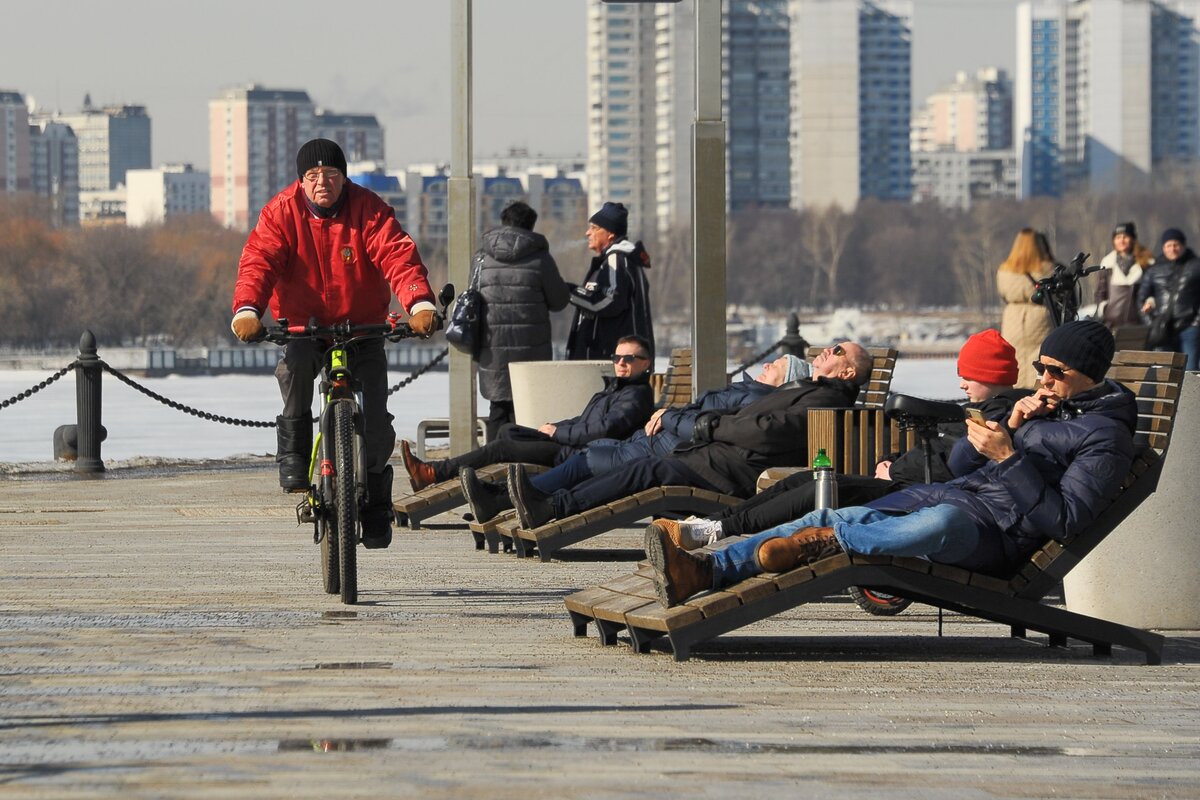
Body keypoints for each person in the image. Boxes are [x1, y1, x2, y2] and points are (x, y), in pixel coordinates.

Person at [645, 321, 1137, 608]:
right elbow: (962, 466)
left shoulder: (1105, 437)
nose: (1044, 379)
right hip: (953, 498)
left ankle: (825, 542)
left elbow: (1064, 520)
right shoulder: (1042, 408)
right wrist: (1008, 425)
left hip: (996, 539)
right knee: (825, 509)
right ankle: (706, 571)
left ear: (1089, 376)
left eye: (1056, 371)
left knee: (932, 523)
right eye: (1040, 367)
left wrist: (1008, 458)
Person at [231, 138, 437, 549]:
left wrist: (419, 302)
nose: (321, 182)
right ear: (301, 180)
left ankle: (376, 500)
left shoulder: (368, 209)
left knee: (375, 413)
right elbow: (259, 261)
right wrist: (248, 309)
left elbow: (396, 255)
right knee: (295, 369)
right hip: (303, 326)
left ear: (344, 177)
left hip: (362, 326)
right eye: (312, 175)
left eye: (330, 174)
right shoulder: (281, 212)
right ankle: (294, 455)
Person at [651, 330, 1029, 551]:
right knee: (806, 481)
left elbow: (956, 462)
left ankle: (713, 531)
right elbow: (939, 451)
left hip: (917, 494)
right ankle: (710, 524)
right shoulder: (977, 411)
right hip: (907, 482)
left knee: (815, 492)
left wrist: (895, 469)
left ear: (991, 376)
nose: (961, 383)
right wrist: (890, 459)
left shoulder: (993, 418)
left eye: (969, 376)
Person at [507, 343, 873, 531]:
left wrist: (708, 427)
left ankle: (553, 507)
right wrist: (707, 424)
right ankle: (549, 502)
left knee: (646, 471)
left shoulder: (824, 401)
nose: (827, 350)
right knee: (644, 467)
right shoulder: (810, 391)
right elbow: (749, 419)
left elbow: (765, 432)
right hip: (716, 457)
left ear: (847, 373)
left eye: (838, 351)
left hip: (731, 471)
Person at [461, 354, 812, 524]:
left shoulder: (759, 399)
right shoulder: (753, 394)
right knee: (521, 439)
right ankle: (510, 498)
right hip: (662, 445)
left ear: (787, 381)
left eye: (778, 365)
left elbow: (710, 425)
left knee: (590, 461)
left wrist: (670, 417)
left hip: (675, 451)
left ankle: (516, 500)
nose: (768, 364)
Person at [399, 335, 655, 491]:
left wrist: (558, 434)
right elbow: (584, 420)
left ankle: (434, 472)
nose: (621, 363)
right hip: (572, 444)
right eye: (617, 357)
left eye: (629, 358)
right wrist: (554, 427)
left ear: (646, 363)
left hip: (581, 455)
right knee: (508, 430)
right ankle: (493, 490)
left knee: (501, 447)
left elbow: (605, 429)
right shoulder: (615, 389)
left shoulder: (636, 395)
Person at [474, 201, 570, 441]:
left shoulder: (482, 258)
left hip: (491, 347)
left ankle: (495, 457)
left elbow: (472, 297)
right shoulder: (540, 258)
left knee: (498, 409)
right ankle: (526, 460)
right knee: (529, 412)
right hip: (531, 349)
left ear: (504, 222)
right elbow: (559, 300)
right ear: (531, 226)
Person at [566, 202, 654, 360]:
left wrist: (569, 292)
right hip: (618, 360)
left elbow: (609, 302)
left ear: (610, 234)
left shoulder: (617, 260)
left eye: (594, 228)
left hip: (615, 361)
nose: (588, 233)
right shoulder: (621, 260)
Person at [998, 228, 1056, 389]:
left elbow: (1003, 293)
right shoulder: (1047, 269)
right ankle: (1036, 391)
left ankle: (1016, 392)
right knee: (1039, 358)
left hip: (1012, 319)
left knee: (1015, 358)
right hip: (1039, 316)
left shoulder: (1004, 270)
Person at [1138, 227, 1200, 371]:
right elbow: (1141, 298)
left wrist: (1197, 321)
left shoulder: (1196, 266)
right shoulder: (1154, 269)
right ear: (1163, 247)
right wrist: (1151, 322)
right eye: (1168, 245)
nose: (1173, 249)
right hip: (1163, 329)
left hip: (1190, 327)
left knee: (1190, 372)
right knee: (1164, 373)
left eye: (1176, 245)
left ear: (1183, 245)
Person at [1094, 221, 1153, 332]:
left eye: (1125, 237)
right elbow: (1100, 292)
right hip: (1111, 324)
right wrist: (1104, 308)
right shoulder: (1107, 263)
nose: (1121, 241)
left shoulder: (1146, 263)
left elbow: (1152, 290)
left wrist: (1150, 303)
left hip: (1138, 322)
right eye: (1118, 237)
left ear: (1133, 239)